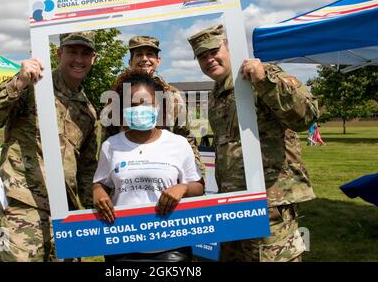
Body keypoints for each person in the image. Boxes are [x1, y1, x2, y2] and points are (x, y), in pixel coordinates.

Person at [187, 24, 319, 262]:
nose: (209, 59)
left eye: (214, 51)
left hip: (269, 203)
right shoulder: (217, 93)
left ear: (229, 47)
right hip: (233, 204)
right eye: (201, 56)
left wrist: (264, 80)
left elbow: (306, 116)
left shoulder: (262, 75)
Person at [0, 31, 99, 262]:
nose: (79, 59)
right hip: (23, 204)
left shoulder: (87, 111)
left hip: (65, 210)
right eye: (72, 51)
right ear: (59, 52)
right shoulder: (33, 86)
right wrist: (20, 81)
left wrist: (92, 211)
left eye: (86, 53)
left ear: (94, 58)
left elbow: (86, 167)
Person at [93, 69, 204, 262]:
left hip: (171, 247)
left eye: (146, 103)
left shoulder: (178, 143)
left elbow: (198, 187)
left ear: (159, 106)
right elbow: (100, 183)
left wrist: (183, 187)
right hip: (122, 245)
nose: (139, 108)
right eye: (132, 104)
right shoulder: (111, 145)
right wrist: (98, 191)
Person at [102, 36, 205, 176]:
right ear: (130, 61)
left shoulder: (172, 96)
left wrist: (198, 176)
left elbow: (187, 138)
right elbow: (107, 140)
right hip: (127, 171)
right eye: (139, 54)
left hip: (164, 171)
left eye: (150, 54)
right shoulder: (117, 95)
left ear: (158, 61)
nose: (144, 59)